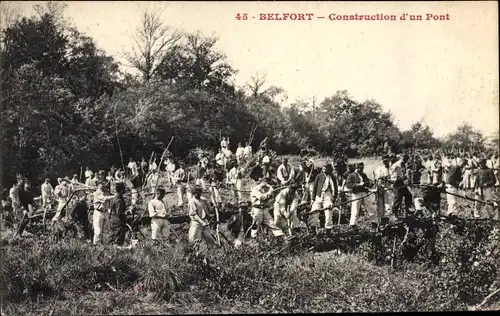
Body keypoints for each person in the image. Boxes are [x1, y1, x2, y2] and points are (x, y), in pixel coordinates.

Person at [309, 163, 338, 234]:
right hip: (319, 195)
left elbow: (335, 190)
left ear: (329, 169)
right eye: (323, 168)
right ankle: (313, 230)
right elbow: (315, 188)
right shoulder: (319, 176)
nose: (324, 170)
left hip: (328, 195)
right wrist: (313, 199)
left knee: (328, 213)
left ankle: (328, 231)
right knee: (314, 211)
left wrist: (332, 201)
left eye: (326, 168)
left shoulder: (332, 177)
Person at [345, 162, 373, 227]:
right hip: (356, 194)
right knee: (355, 211)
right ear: (357, 168)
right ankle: (353, 225)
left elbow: (367, 183)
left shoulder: (363, 175)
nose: (362, 169)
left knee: (371, 209)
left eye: (363, 167)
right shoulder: (351, 175)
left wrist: (370, 183)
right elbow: (348, 185)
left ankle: (374, 224)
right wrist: (357, 185)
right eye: (360, 168)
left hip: (364, 193)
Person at [108, 182, 127, 246]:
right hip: (118, 223)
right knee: (118, 241)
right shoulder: (119, 199)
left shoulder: (115, 197)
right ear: (121, 190)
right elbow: (119, 213)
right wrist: (128, 211)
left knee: (113, 239)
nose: (125, 190)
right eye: (124, 189)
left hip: (113, 221)